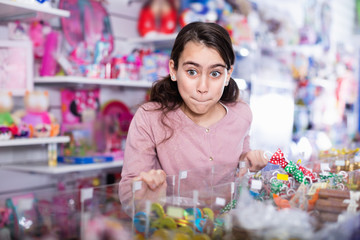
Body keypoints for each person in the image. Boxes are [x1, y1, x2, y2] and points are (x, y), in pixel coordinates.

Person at [119, 21, 268, 209]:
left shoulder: (242, 113)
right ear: (173, 70)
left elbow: (240, 163)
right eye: (192, 72)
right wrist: (144, 194)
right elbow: (127, 193)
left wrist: (248, 161)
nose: (202, 88)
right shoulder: (149, 118)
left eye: (215, 73)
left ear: (228, 75)